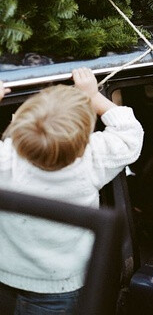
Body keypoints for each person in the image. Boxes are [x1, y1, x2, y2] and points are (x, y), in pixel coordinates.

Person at [0, 68, 144, 315]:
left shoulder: (6, 160)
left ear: (16, 127)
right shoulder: (93, 158)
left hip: (6, 271)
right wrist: (94, 96)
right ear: (87, 137)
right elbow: (130, 135)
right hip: (60, 286)